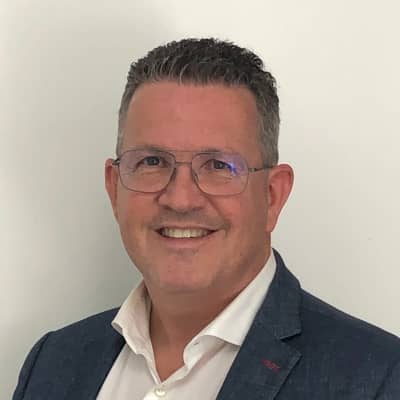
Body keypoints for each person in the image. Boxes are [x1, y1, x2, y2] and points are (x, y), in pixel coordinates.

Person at [13, 38, 400, 400]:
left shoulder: (379, 379)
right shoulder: (53, 364)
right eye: (152, 161)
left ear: (272, 196)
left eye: (218, 166)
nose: (180, 199)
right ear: (115, 189)